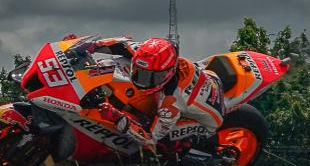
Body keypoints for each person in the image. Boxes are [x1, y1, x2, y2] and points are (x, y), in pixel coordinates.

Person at [70, 35, 224, 153]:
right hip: (204, 78)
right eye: (139, 72)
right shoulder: (146, 54)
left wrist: (117, 117)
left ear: (168, 73)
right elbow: (119, 44)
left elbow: (150, 138)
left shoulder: (172, 101)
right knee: (109, 65)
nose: (142, 81)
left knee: (163, 146)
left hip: (204, 121)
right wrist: (86, 47)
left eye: (152, 77)